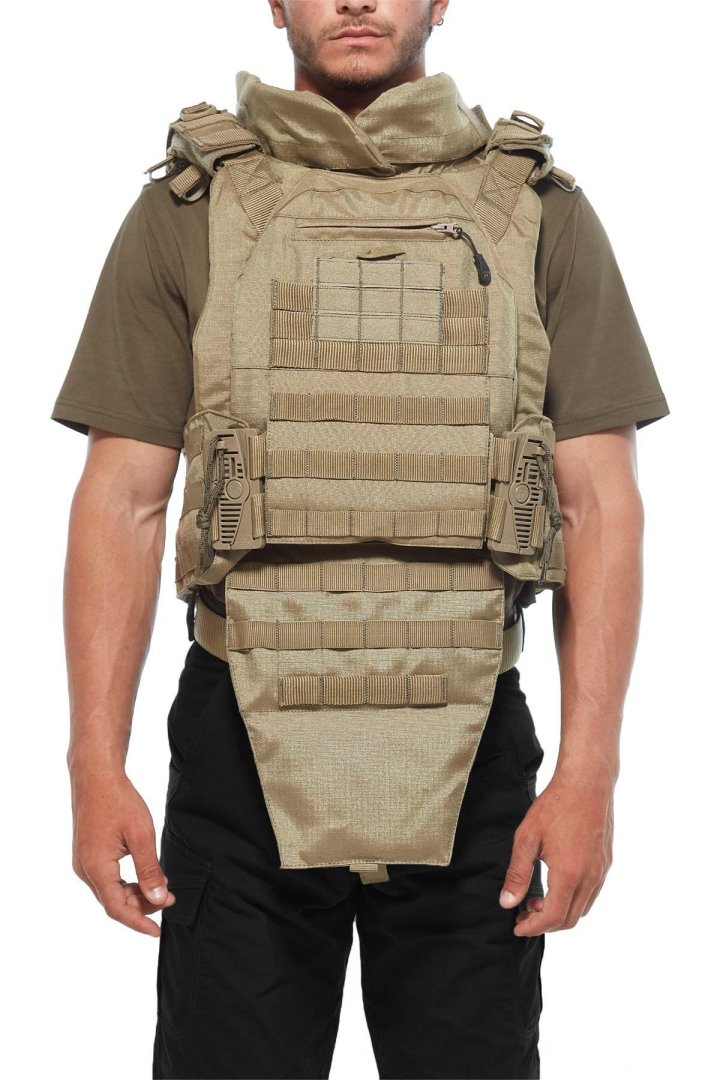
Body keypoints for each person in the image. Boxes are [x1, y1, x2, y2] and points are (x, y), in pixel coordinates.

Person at [51, 1, 670, 1077]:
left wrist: (591, 775)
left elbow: (600, 505)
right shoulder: (189, 208)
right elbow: (123, 500)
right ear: (275, 2)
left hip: (471, 733)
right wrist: (92, 766)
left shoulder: (539, 211)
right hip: (239, 735)